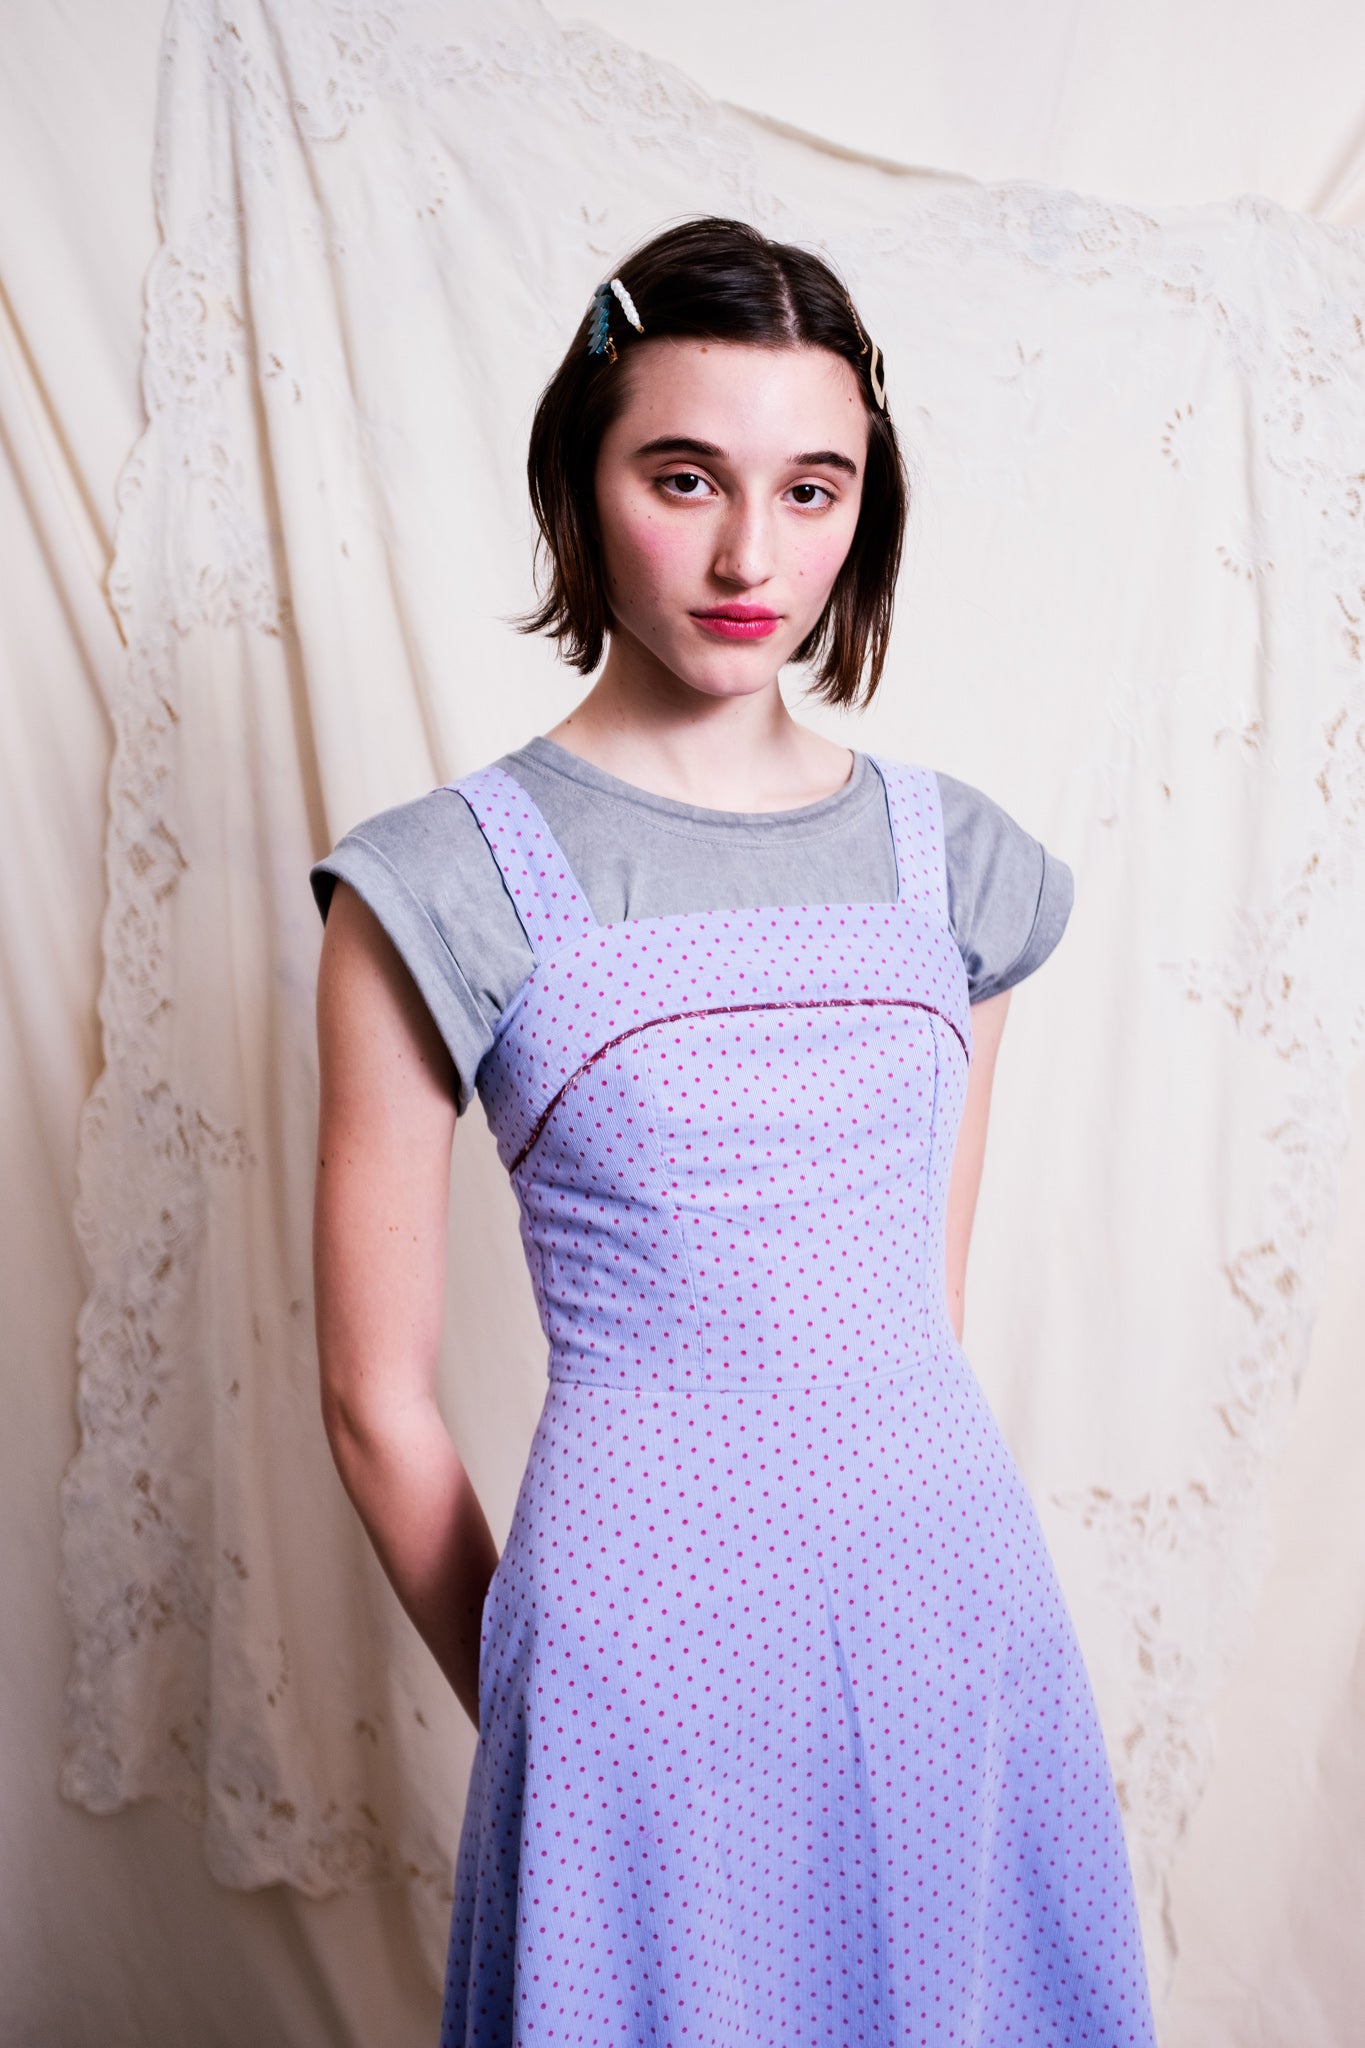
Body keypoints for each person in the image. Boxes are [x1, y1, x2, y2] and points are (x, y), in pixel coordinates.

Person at [311, 216, 1156, 2046]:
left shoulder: (959, 862)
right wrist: (560, 1705)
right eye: (682, 475)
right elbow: (373, 1401)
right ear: (580, 482)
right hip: (627, 1665)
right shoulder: (438, 881)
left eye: (811, 486)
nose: (748, 553)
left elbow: (905, 1316)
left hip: (948, 1619)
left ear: (868, 509)